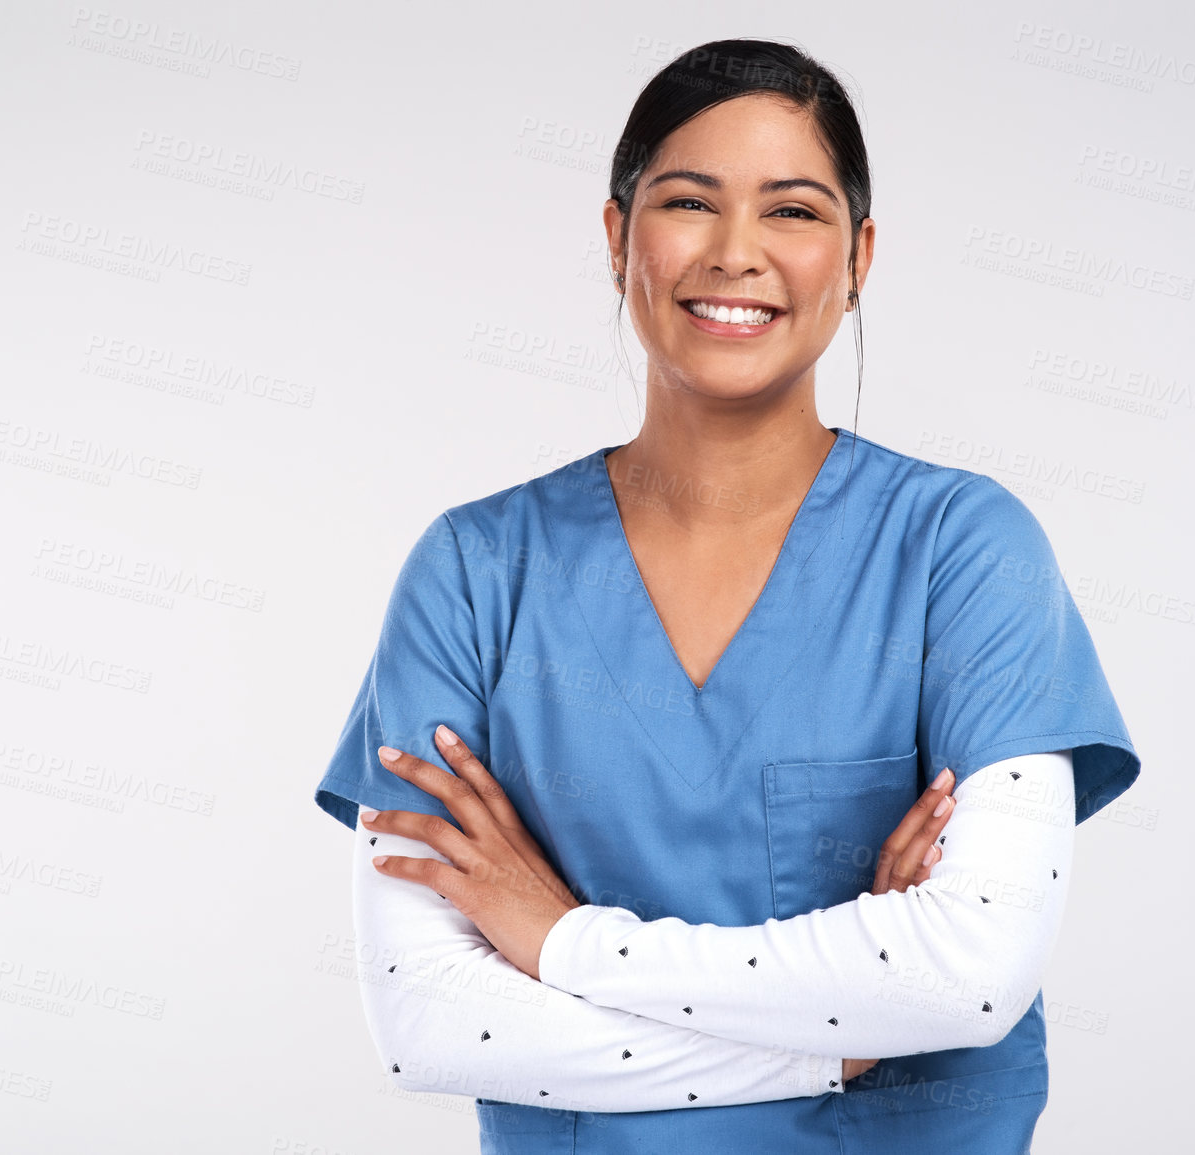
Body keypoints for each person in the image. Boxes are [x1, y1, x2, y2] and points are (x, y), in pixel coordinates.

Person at [312, 38, 1140, 1154]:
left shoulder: (962, 550)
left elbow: (969, 980)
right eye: (690, 201)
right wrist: (838, 1041)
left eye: (794, 212)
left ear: (859, 260)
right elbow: (428, 1022)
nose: (737, 253)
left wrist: (560, 944)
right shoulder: (475, 572)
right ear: (618, 239)